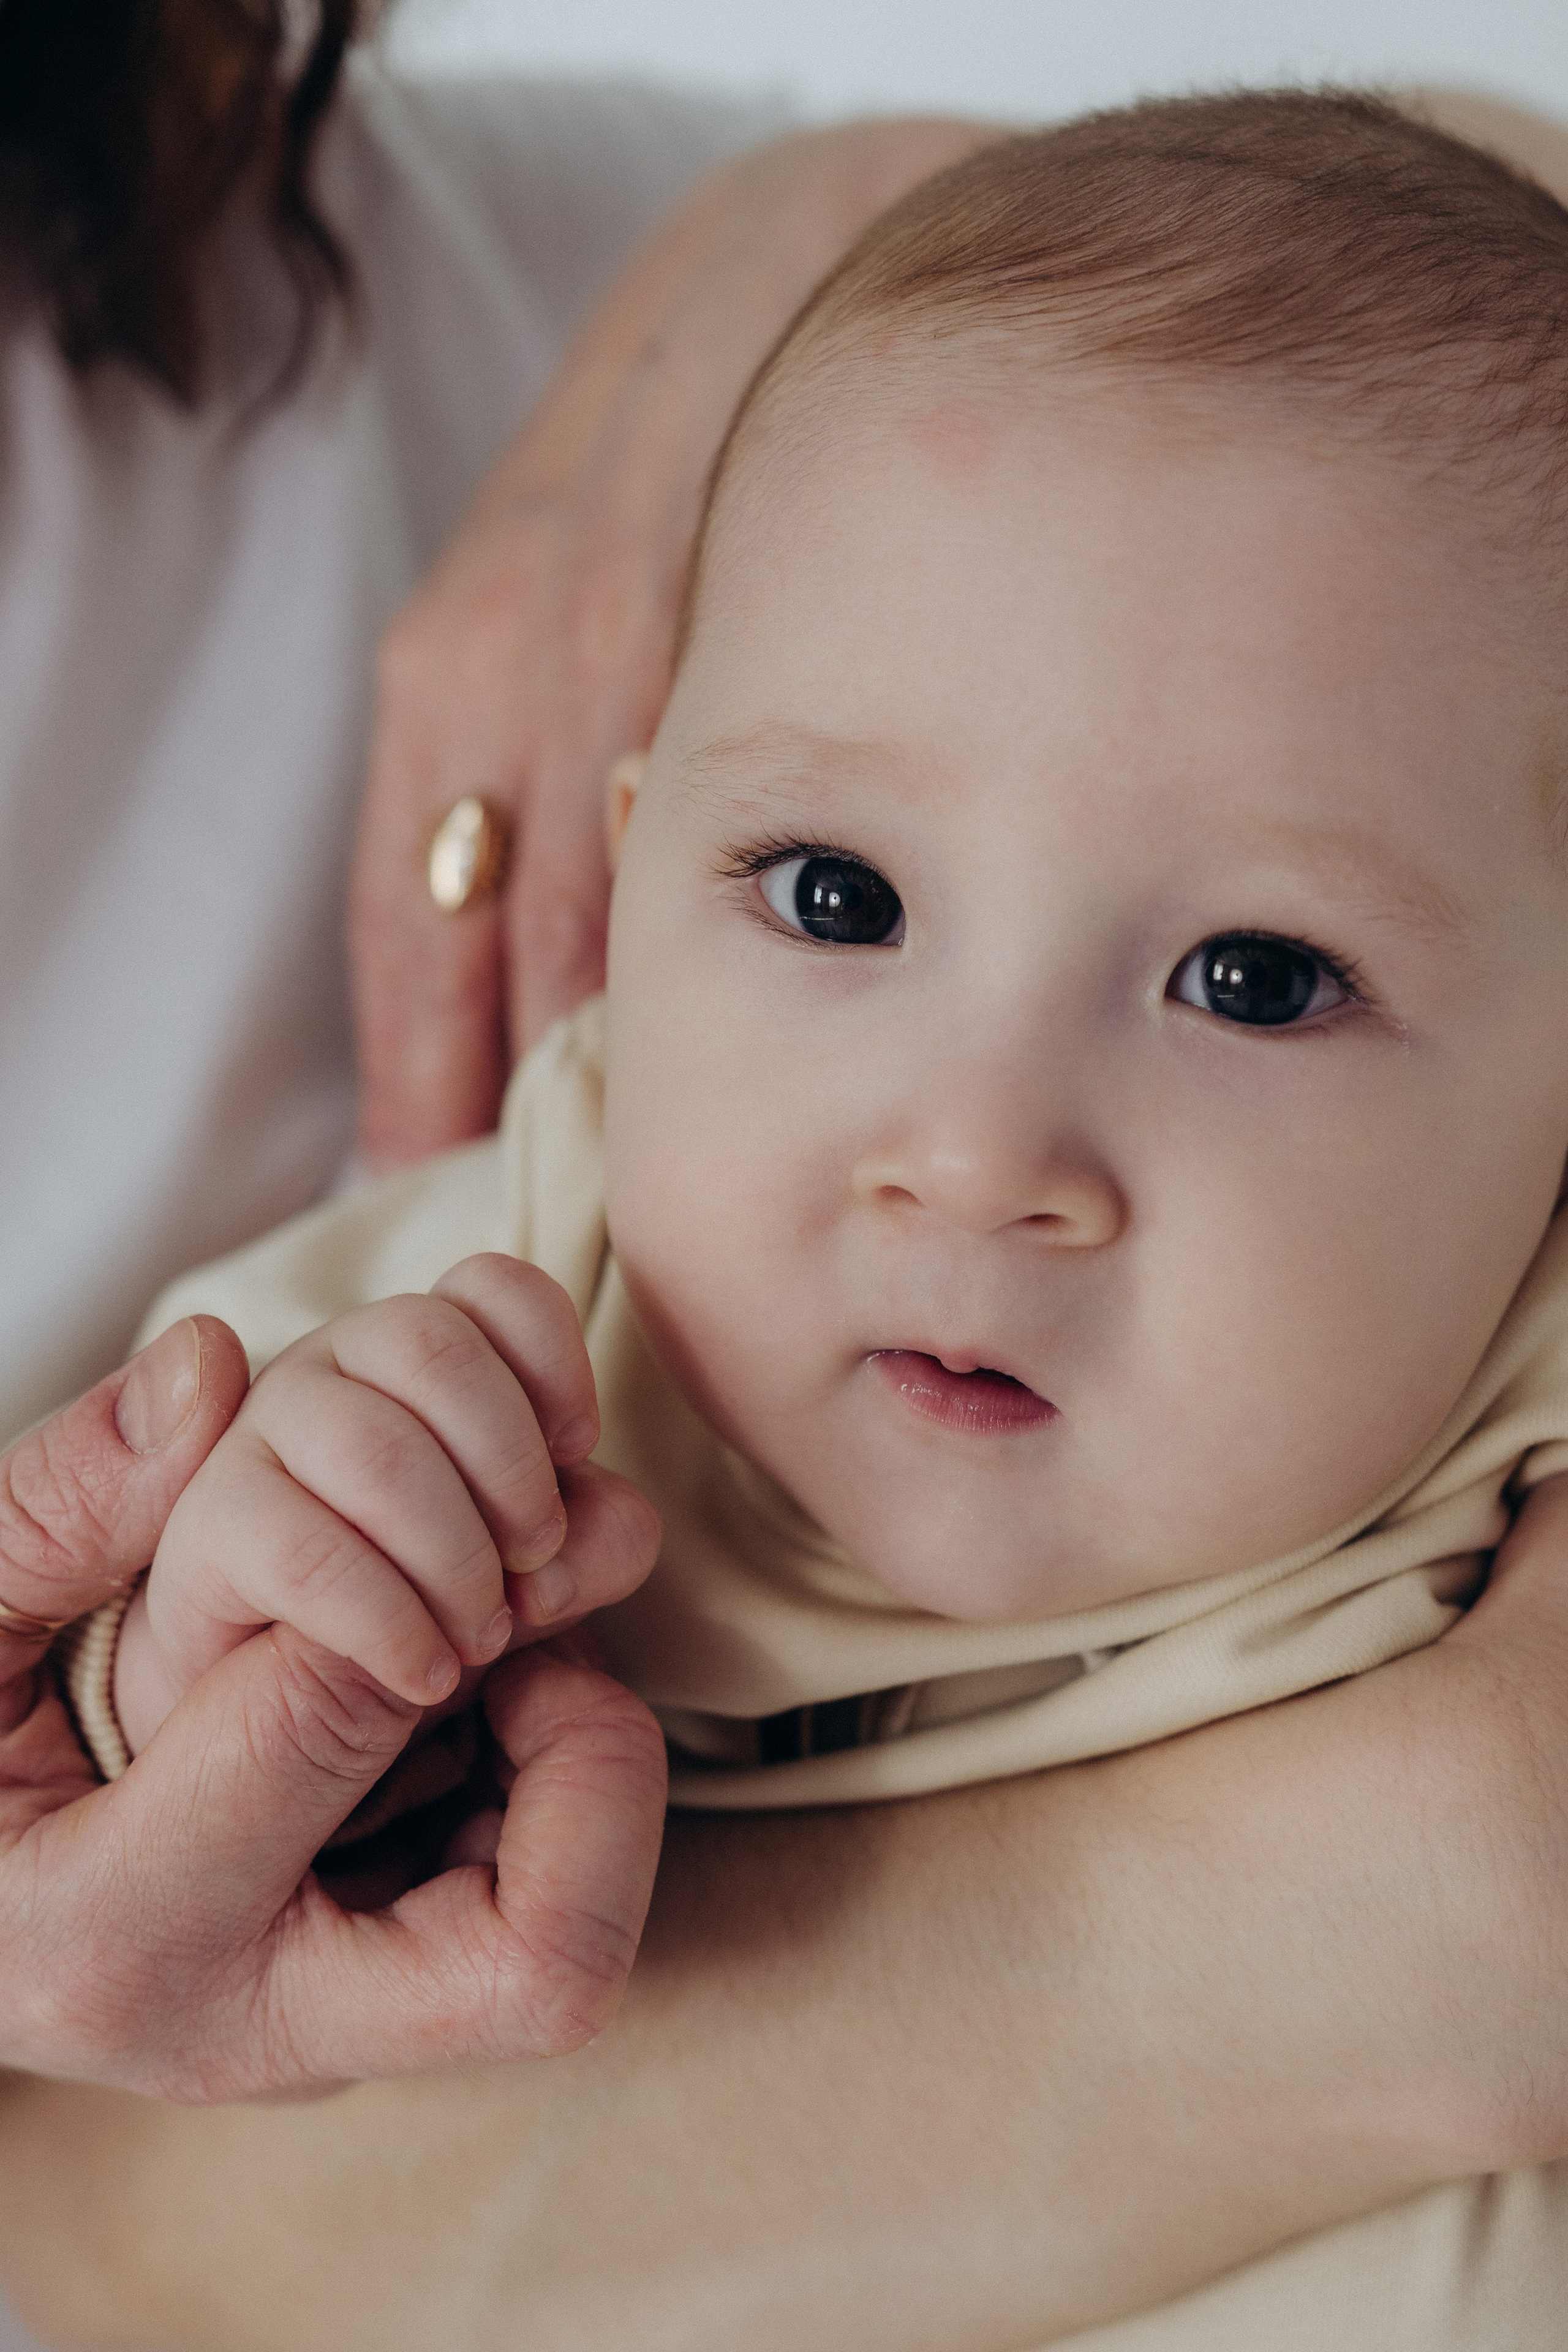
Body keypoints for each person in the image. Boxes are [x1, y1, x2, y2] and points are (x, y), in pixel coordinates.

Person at [4, 27, 1568, 2346]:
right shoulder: (518, 1297)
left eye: (1254, 978)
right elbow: (151, 1794)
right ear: (623, 896)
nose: (978, 1155)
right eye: (836, 902)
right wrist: (247, 1615)